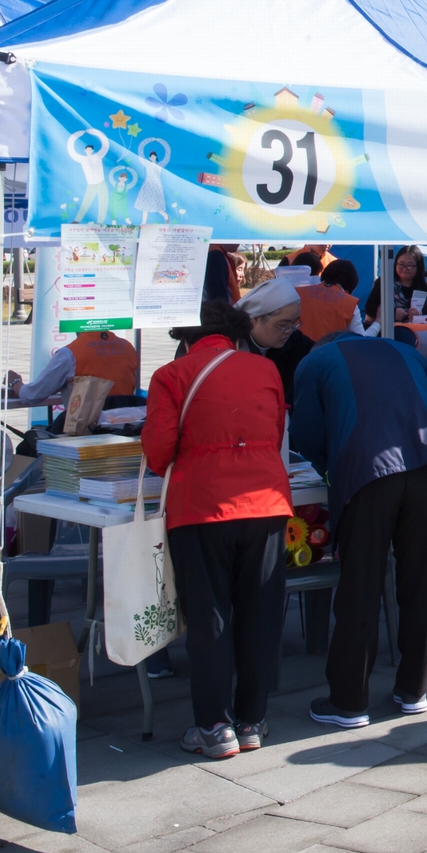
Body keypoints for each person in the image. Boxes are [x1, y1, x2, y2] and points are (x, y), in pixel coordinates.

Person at [290, 316, 427, 728]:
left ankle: (349, 701)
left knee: (361, 582)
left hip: (367, 472)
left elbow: (306, 436)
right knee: (424, 579)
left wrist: (330, 469)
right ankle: (414, 690)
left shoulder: (315, 362)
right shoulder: (405, 351)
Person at [145, 301, 293, 759]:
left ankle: (214, 725)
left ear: (184, 337)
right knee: (260, 612)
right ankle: (251, 720)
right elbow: (275, 431)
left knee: (209, 616)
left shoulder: (171, 375)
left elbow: (158, 452)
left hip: (202, 505)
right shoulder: (265, 369)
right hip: (266, 501)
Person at [9, 328, 142, 403]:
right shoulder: (128, 347)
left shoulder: (69, 354)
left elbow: (32, 395)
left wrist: (14, 382)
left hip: (88, 427)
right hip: (125, 423)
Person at [234, 278, 310, 401]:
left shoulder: (297, 343)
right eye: (282, 325)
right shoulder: (232, 347)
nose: (289, 330)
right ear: (254, 320)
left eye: (294, 323)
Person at [297, 260, 365, 343]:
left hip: (297, 348)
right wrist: (377, 323)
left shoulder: (298, 293)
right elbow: (360, 340)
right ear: (350, 286)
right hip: (328, 350)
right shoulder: (350, 303)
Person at [363, 247, 426, 327]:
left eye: (409, 265)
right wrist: (392, 313)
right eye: (401, 264)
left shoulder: (425, 288)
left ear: (418, 266)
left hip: (416, 331)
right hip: (385, 330)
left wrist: (420, 314)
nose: (405, 268)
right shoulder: (385, 282)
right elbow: (369, 309)